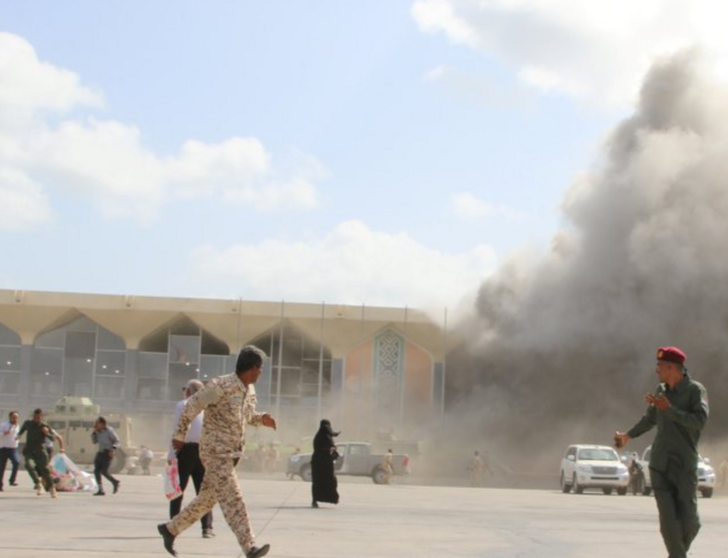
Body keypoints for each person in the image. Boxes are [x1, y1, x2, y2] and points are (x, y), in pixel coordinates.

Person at [157, 345, 277, 558]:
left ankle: (170, 529)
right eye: (260, 368)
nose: (261, 373)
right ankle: (249, 547)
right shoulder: (220, 385)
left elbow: (247, 416)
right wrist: (179, 435)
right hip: (215, 454)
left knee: (206, 500)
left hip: (231, 455)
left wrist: (262, 419)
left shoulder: (249, 390)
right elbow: (191, 406)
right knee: (233, 498)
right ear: (252, 368)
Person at [614, 346, 708, 558]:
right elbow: (650, 419)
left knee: (691, 523)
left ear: (673, 368)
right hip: (660, 466)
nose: (656, 370)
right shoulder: (660, 390)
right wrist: (628, 435)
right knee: (668, 522)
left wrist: (670, 410)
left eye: (660, 366)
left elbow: (700, 421)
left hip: (684, 466)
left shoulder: (695, 390)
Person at [168, 379, 214, 538]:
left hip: (185, 450)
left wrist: (171, 456)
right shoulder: (209, 406)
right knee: (204, 492)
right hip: (203, 451)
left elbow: (177, 429)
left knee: (177, 490)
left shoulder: (182, 404)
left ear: (188, 391)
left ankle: (173, 526)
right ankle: (207, 528)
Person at [18, 408, 64, 498]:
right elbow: (21, 431)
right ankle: (39, 484)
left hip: (40, 451)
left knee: (45, 470)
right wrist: (17, 436)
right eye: (35, 417)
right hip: (29, 450)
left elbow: (53, 439)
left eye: (38, 417)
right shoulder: (28, 423)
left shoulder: (44, 425)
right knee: (28, 465)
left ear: (41, 417)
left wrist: (46, 433)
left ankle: (52, 488)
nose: (36, 419)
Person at [311, 419, 340, 508]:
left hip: (324, 463)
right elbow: (326, 448)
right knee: (319, 482)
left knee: (328, 481)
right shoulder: (321, 437)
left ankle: (330, 499)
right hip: (320, 463)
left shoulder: (325, 437)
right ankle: (316, 500)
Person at [91, 416, 121, 496]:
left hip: (108, 453)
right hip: (100, 452)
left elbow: (117, 441)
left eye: (98, 423)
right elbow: (94, 441)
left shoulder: (109, 431)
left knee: (104, 472)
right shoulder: (98, 432)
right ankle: (101, 490)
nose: (96, 425)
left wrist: (113, 448)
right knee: (96, 471)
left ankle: (115, 482)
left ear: (102, 423)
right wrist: (94, 434)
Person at [0, 411, 20, 491]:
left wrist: (17, 439)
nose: (15, 419)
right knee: (1, 467)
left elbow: (17, 435)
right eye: (13, 417)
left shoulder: (17, 426)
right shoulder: (4, 425)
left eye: (16, 418)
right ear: (10, 417)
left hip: (13, 448)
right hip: (3, 448)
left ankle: (12, 480)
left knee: (16, 462)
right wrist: (4, 433)